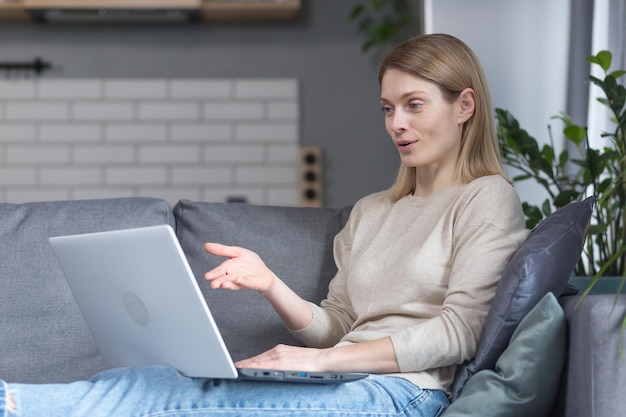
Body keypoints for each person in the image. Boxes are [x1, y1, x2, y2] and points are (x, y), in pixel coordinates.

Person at [0, 33, 529, 417]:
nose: (397, 124)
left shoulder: (485, 199)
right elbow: (338, 323)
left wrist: (326, 364)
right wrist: (270, 283)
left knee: (164, 400)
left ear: (464, 106)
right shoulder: (372, 211)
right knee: (146, 380)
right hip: (342, 379)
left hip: (402, 393)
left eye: (414, 105)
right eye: (388, 108)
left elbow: (461, 332)